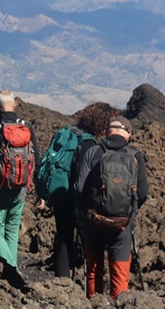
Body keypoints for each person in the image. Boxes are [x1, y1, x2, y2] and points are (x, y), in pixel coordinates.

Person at [38, 102, 117, 278]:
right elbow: (84, 177)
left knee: (63, 237)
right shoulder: (88, 143)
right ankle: (90, 283)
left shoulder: (66, 133)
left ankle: (61, 281)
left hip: (59, 194)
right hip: (76, 200)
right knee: (87, 240)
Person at [74, 116, 149, 301]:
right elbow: (142, 193)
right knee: (120, 273)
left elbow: (79, 188)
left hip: (94, 220)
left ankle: (93, 308)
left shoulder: (93, 152)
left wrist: (87, 211)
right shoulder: (135, 156)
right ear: (128, 134)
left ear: (107, 132)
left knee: (93, 270)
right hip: (122, 224)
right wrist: (129, 211)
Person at [0, 89, 41, 287]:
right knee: (12, 230)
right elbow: (36, 160)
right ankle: (12, 271)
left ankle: (11, 270)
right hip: (20, 188)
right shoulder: (26, 127)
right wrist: (40, 191)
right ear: (15, 104)